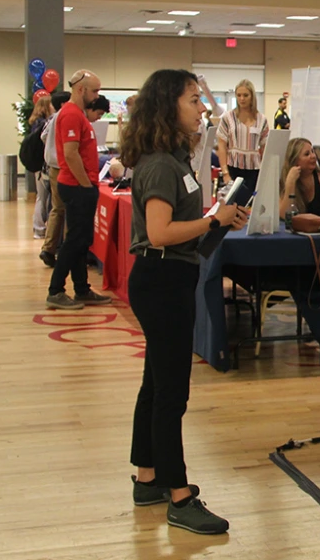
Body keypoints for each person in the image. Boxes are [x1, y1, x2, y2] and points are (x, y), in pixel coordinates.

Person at [120, 69, 249, 536]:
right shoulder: (160, 165)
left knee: (155, 384)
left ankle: (147, 478)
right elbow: (159, 233)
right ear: (169, 106)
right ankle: (179, 495)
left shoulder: (173, 159)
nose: (202, 109)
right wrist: (214, 222)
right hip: (162, 281)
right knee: (171, 392)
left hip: (168, 277)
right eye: (194, 100)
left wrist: (217, 220)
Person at [45, 70, 111, 310]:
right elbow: (71, 154)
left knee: (82, 240)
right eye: (94, 91)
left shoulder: (77, 114)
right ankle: (56, 290)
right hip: (76, 186)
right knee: (74, 240)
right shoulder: (71, 114)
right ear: (81, 89)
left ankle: (81, 288)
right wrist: (85, 185)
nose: (96, 96)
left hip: (81, 185)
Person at [215, 79, 269, 190]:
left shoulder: (262, 119)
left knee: (250, 203)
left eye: (245, 95)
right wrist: (225, 172)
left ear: (252, 96)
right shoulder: (228, 118)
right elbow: (222, 146)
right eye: (238, 95)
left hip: (254, 168)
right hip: (233, 167)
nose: (242, 99)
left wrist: (265, 173)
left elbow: (264, 148)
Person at [39, 91, 72, 267]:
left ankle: (48, 247)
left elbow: (43, 137)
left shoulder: (52, 119)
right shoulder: (67, 117)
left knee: (56, 209)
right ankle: (67, 250)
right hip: (64, 167)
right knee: (69, 209)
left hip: (52, 167)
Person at [279, 138, 320, 232]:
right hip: (292, 235)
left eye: (312, 151)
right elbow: (284, 216)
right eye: (307, 154)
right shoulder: (284, 181)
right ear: (294, 160)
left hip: (318, 234)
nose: (313, 156)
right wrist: (290, 184)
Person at [29, 95, 55, 239]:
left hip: (37, 164)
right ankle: (39, 229)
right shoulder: (45, 124)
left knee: (41, 197)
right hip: (43, 165)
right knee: (43, 198)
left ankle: (39, 228)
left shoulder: (35, 123)